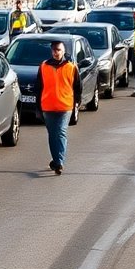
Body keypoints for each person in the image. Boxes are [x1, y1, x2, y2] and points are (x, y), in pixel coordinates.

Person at [32, 39, 81, 175]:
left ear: (63, 51)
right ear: (51, 51)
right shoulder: (44, 66)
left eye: (58, 50)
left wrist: (76, 104)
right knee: (52, 134)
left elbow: (77, 88)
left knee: (60, 132)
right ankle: (55, 160)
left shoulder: (71, 67)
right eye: (54, 50)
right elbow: (38, 87)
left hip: (65, 106)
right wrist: (38, 107)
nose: (56, 52)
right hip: (48, 106)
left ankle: (59, 162)